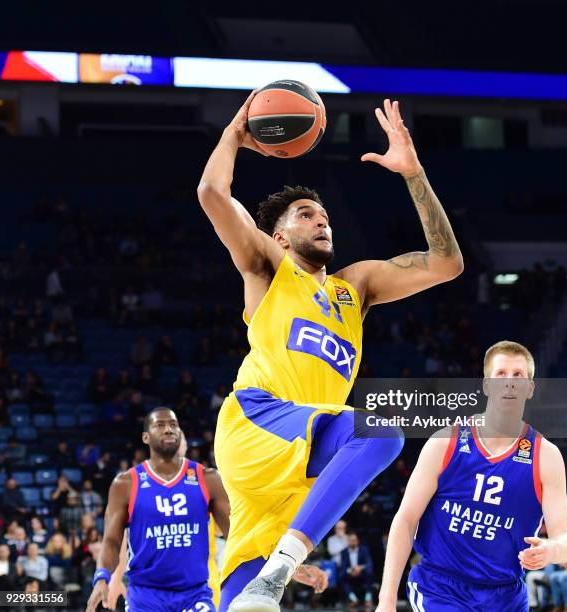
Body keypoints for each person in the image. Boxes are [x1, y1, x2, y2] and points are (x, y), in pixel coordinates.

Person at [197, 91, 463, 612]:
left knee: (243, 596)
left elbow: (446, 264)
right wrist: (236, 132)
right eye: (305, 214)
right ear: (279, 233)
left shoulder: (354, 287)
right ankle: (282, 566)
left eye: (324, 215)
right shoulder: (269, 266)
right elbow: (211, 191)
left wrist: (413, 174)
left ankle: (272, 571)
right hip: (258, 421)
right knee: (380, 428)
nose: (321, 221)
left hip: (301, 464)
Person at [377, 340, 567, 612]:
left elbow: (566, 540)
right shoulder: (445, 442)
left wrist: (552, 550)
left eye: (518, 375)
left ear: (530, 388)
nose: (509, 383)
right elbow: (406, 519)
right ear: (486, 385)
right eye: (501, 374)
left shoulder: (546, 456)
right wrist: (386, 601)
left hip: (506, 594)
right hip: (441, 588)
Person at [86, 408, 324, 612]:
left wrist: (287, 567)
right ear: (146, 437)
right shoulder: (126, 484)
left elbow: (240, 535)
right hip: (146, 597)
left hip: (195, 594)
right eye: (160, 425)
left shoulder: (207, 479)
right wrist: (103, 578)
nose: (169, 429)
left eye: (174, 424)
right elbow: (112, 541)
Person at [340, 533, 374, 607]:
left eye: (354, 540)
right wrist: (351, 571)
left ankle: (368, 599)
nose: (353, 542)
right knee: (342, 577)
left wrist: (360, 568)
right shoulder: (344, 552)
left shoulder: (364, 550)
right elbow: (343, 567)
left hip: (362, 573)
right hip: (350, 574)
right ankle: (353, 599)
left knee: (370, 573)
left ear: (358, 541)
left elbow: (369, 564)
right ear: (348, 541)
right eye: (351, 540)